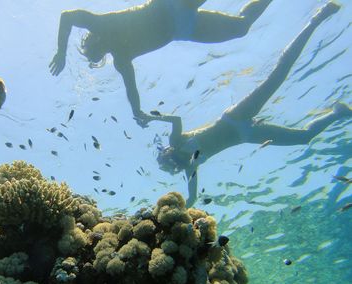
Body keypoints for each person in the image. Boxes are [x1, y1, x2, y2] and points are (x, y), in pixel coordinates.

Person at [142, 1, 349, 207]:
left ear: (167, 153)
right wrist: (174, 212)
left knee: (277, 76)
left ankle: (317, 19)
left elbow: (176, 119)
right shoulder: (190, 168)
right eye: (169, 166)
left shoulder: (177, 141)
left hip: (235, 118)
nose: (171, 162)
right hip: (246, 135)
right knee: (304, 138)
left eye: (167, 161)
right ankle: (336, 114)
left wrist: (151, 116)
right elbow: (193, 198)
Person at [49, 0, 273, 127]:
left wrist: (61, 52)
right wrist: (137, 112)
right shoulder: (121, 59)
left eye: (92, 55)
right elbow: (131, 89)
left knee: (241, 27)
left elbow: (67, 16)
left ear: (92, 40)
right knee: (241, 27)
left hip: (170, 5)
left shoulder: (100, 25)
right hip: (184, 28)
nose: (96, 59)